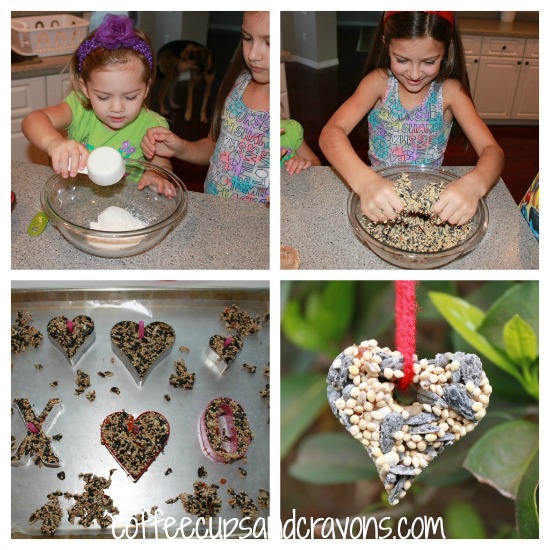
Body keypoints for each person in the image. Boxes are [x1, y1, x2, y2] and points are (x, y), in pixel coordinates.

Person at [319, 11, 504, 225]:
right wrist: (364, 182)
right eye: (402, 60)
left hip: (430, 204)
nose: (414, 74)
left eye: (429, 61)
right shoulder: (377, 83)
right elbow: (331, 133)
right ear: (386, 44)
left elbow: (493, 151)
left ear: (447, 49)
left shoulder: (450, 92)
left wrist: (475, 184)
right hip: (378, 197)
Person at [22, 14, 173, 195]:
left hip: (127, 205)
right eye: (103, 97)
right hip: (78, 199)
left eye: (131, 97)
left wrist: (156, 175)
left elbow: (163, 165)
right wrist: (54, 143)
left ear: (147, 88)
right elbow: (32, 120)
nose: (117, 108)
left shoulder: (153, 127)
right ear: (85, 88)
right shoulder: (78, 108)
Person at [141, 11, 270, 204]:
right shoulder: (237, 85)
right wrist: (179, 148)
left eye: (269, 42)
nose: (252, 55)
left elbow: (311, 163)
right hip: (213, 206)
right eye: (247, 38)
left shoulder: (281, 109)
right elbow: (214, 146)